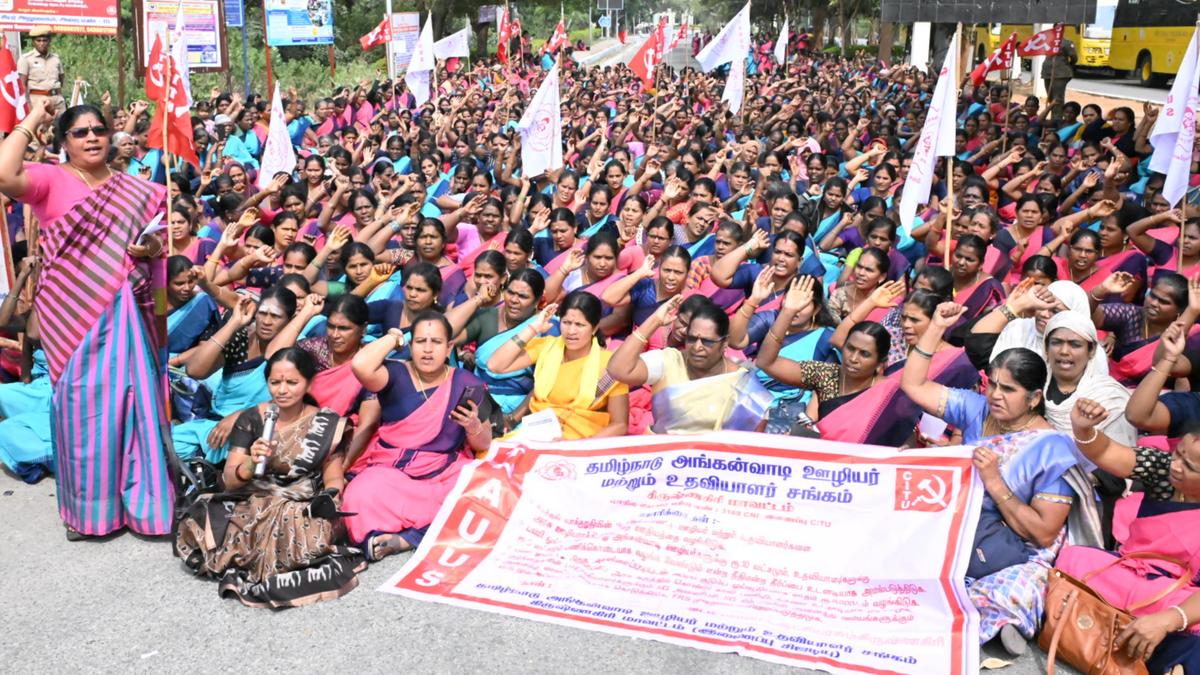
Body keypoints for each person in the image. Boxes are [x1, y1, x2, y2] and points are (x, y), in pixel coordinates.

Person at [0, 101, 174, 538]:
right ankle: (91, 511)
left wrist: (150, 251)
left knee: (135, 402)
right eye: (80, 132)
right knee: (82, 409)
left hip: (125, 309)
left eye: (100, 129)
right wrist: (32, 116)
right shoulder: (49, 179)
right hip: (70, 312)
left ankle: (146, 505)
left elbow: (156, 243)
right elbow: (4, 175)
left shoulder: (131, 187)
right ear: (64, 141)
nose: (93, 137)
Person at [900, 315, 1094, 655]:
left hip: (1011, 548)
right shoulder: (977, 411)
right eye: (991, 385)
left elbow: (1043, 535)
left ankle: (997, 615)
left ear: (1034, 398)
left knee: (1021, 587)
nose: (995, 395)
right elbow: (914, 386)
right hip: (956, 525)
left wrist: (994, 482)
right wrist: (935, 328)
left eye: (1007, 389)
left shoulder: (1052, 449)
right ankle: (984, 617)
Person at [175, 348, 365, 608]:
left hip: (299, 503)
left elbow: (333, 476)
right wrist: (252, 463)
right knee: (206, 519)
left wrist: (330, 498)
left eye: (292, 382)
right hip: (254, 498)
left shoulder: (325, 422)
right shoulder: (252, 418)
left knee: (299, 524)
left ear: (309, 382)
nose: (282, 390)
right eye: (275, 383)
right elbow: (231, 480)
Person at [1060, 398, 1200, 673]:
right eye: (1178, 454)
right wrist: (1084, 430)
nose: (1176, 465)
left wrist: (1170, 619)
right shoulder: (1163, 468)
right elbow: (1109, 452)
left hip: (1175, 596)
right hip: (1127, 572)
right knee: (1072, 559)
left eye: (1190, 467)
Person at [342, 311, 492, 561]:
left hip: (444, 471)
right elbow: (360, 365)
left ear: (449, 348)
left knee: (481, 492)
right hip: (392, 474)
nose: (428, 350)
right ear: (411, 345)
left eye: (436, 342)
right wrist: (394, 337)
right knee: (359, 496)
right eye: (421, 341)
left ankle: (404, 539)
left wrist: (472, 425)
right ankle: (420, 533)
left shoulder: (466, 382)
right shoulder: (395, 374)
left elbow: (484, 442)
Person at [607, 295, 773, 434]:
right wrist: (655, 320)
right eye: (692, 339)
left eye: (707, 341)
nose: (697, 347)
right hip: (662, 459)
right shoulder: (669, 361)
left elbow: (754, 434)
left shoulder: (742, 383)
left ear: (724, 344)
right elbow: (618, 369)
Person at [486, 291, 629, 440]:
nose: (571, 331)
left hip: (582, 440)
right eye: (566, 322)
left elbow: (619, 425)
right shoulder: (547, 347)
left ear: (594, 328)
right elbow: (495, 365)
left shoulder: (610, 365)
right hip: (537, 435)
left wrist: (579, 447)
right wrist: (534, 328)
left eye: (579, 325)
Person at [18, 27, 65, 118]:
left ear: (49, 41)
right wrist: (28, 105)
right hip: (37, 100)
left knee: (61, 129)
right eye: (38, 40)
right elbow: (22, 85)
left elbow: (61, 78)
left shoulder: (55, 58)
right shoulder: (26, 59)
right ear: (33, 42)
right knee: (40, 130)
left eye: (45, 40)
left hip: (57, 100)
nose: (42, 43)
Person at [1041, 36, 1076, 112]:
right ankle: (1054, 115)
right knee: (1050, 97)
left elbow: (1074, 57)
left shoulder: (1066, 43)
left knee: (1057, 99)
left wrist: (1066, 65)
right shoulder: (1047, 41)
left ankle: (1057, 119)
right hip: (1047, 73)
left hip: (1060, 74)